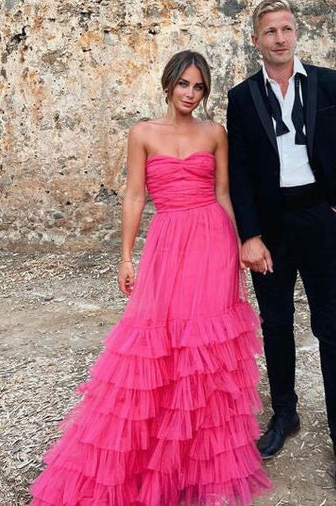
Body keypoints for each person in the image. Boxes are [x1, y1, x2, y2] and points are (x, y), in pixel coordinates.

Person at [30, 50, 271, 506]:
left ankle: (200, 460)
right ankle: (155, 453)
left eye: (198, 87)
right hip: (166, 242)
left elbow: (223, 193)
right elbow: (135, 196)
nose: (190, 94)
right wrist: (125, 258)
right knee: (155, 342)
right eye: (184, 84)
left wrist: (242, 242)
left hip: (213, 241)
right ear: (168, 84)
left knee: (205, 349)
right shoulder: (142, 133)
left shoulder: (215, 133)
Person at [226, 0, 336, 501]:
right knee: (276, 324)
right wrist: (249, 235)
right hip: (271, 228)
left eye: (286, 29)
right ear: (256, 40)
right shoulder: (242, 97)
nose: (279, 38)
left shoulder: (328, 84)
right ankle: (284, 414)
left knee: (333, 332)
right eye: (270, 31)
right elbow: (239, 171)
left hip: (320, 218)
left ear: (296, 34)